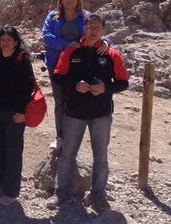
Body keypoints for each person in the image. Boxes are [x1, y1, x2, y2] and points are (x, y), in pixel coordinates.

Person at [53, 14, 129, 213]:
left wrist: (107, 88)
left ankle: (98, 195)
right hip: (75, 112)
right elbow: (59, 77)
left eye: (97, 27)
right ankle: (61, 192)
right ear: (84, 29)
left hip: (101, 113)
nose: (93, 30)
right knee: (68, 154)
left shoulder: (111, 54)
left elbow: (124, 82)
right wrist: (74, 85)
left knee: (101, 157)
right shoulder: (71, 51)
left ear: (103, 30)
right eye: (90, 26)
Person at [42, 0, 109, 152]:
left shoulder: (84, 16)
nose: (70, 0)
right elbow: (47, 37)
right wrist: (68, 46)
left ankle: (72, 137)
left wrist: (107, 42)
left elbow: (97, 30)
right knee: (59, 100)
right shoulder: (53, 17)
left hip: (78, 65)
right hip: (56, 63)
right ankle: (60, 136)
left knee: (74, 98)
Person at [0, 25, 35, 206]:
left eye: (9, 40)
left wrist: (22, 113)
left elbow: (28, 88)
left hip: (14, 115)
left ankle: (11, 192)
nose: (5, 43)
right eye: (2, 40)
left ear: (16, 42)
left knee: (12, 151)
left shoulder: (22, 61)